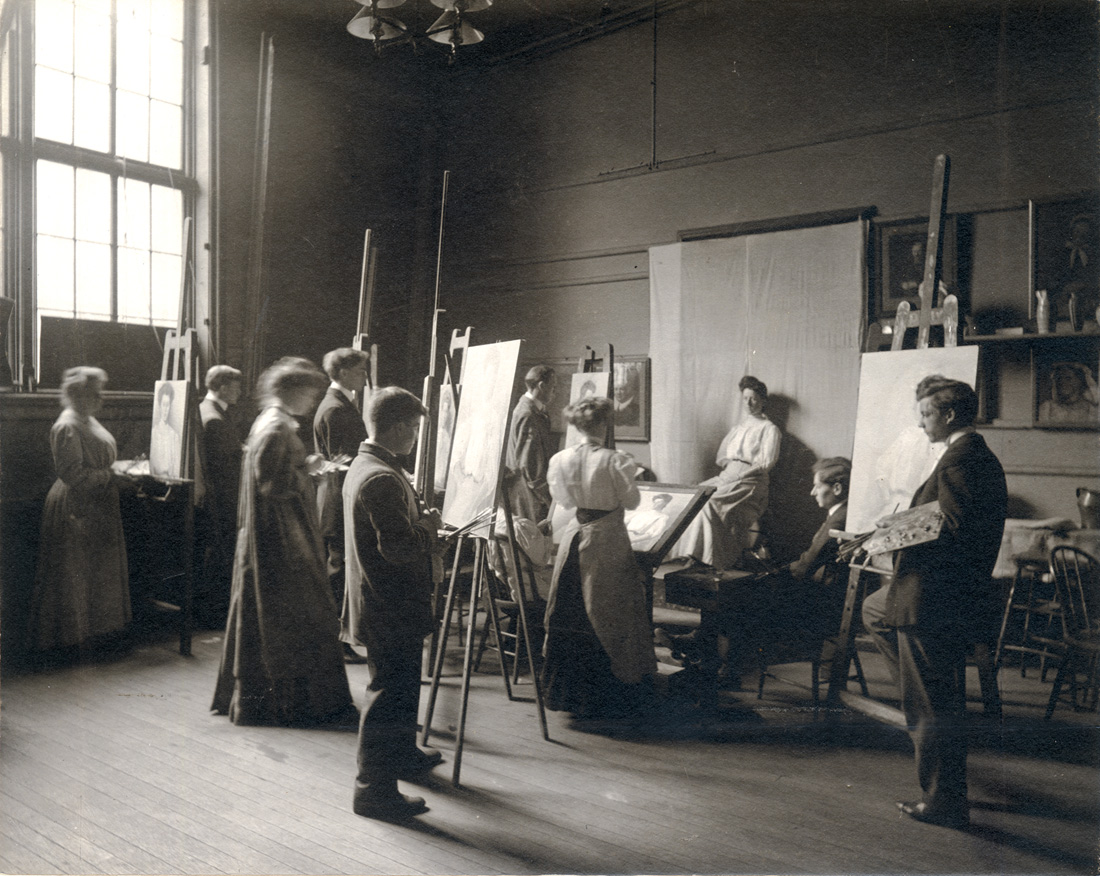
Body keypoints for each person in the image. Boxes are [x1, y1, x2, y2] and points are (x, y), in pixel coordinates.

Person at [861, 376, 1006, 829]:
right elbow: (945, 514)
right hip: (935, 593)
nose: (920, 422)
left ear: (948, 415)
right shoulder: (969, 455)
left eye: (925, 414)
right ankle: (913, 687)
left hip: (934, 597)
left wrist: (896, 533)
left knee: (934, 706)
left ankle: (944, 801)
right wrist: (901, 521)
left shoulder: (962, 458)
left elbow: (956, 526)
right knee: (874, 611)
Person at [211, 357, 355, 727]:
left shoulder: (274, 422)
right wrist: (309, 473)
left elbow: (273, 473)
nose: (311, 402)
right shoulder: (275, 426)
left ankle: (285, 701)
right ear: (292, 391)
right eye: (309, 394)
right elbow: (272, 485)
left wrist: (305, 466)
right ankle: (293, 703)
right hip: (280, 537)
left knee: (278, 612)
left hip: (276, 532)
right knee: (293, 611)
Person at [345, 387, 444, 820]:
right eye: (416, 429)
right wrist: (429, 527)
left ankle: (402, 755)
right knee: (388, 693)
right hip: (389, 603)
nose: (417, 438)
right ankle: (373, 791)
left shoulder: (367, 464)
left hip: (384, 600)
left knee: (400, 687)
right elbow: (400, 547)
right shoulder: (382, 476)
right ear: (401, 427)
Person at [542, 396, 656, 719]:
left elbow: (563, 500)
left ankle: (570, 697)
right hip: (606, 542)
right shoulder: (614, 460)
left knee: (574, 608)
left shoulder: (561, 459)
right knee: (611, 611)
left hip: (575, 538)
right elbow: (632, 501)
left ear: (576, 426)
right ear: (604, 425)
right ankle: (610, 698)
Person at [29, 367, 131, 654]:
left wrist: (113, 472)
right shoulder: (67, 425)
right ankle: (71, 639)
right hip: (76, 505)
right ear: (79, 395)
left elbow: (96, 459)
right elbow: (73, 474)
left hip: (97, 503)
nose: (101, 398)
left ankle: (95, 633)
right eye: (95, 392)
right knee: (75, 570)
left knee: (96, 572)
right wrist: (112, 477)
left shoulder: (86, 419)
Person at [674, 375, 782, 569]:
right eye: (745, 398)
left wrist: (740, 474)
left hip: (751, 482)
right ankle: (693, 554)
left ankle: (710, 561)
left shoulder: (769, 429)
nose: (748, 403)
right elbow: (723, 457)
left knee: (710, 503)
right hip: (729, 476)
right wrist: (730, 473)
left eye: (754, 399)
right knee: (693, 495)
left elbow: (766, 462)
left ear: (763, 401)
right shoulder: (739, 428)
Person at [313, 347, 371, 664]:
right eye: (361, 371)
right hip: (337, 500)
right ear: (345, 372)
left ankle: (340, 639)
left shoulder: (339, 404)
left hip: (337, 496)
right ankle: (336, 642)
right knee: (338, 571)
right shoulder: (335, 408)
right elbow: (341, 463)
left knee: (340, 569)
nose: (365, 377)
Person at [197, 364, 244, 627]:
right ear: (223, 387)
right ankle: (216, 613)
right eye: (236, 386)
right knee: (221, 553)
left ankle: (215, 610)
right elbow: (227, 467)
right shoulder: (214, 419)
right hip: (225, 497)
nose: (239, 392)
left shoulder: (209, 411)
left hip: (221, 494)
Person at [504, 364, 557, 523]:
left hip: (528, 488)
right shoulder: (527, 413)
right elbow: (528, 463)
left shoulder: (535, 410)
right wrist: (545, 496)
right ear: (541, 386)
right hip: (528, 492)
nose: (555, 392)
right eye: (553, 387)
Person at [149, 381, 182, 479]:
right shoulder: (153, 433)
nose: (165, 409)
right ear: (159, 405)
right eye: (163, 404)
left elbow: (176, 471)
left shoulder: (174, 436)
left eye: (168, 405)